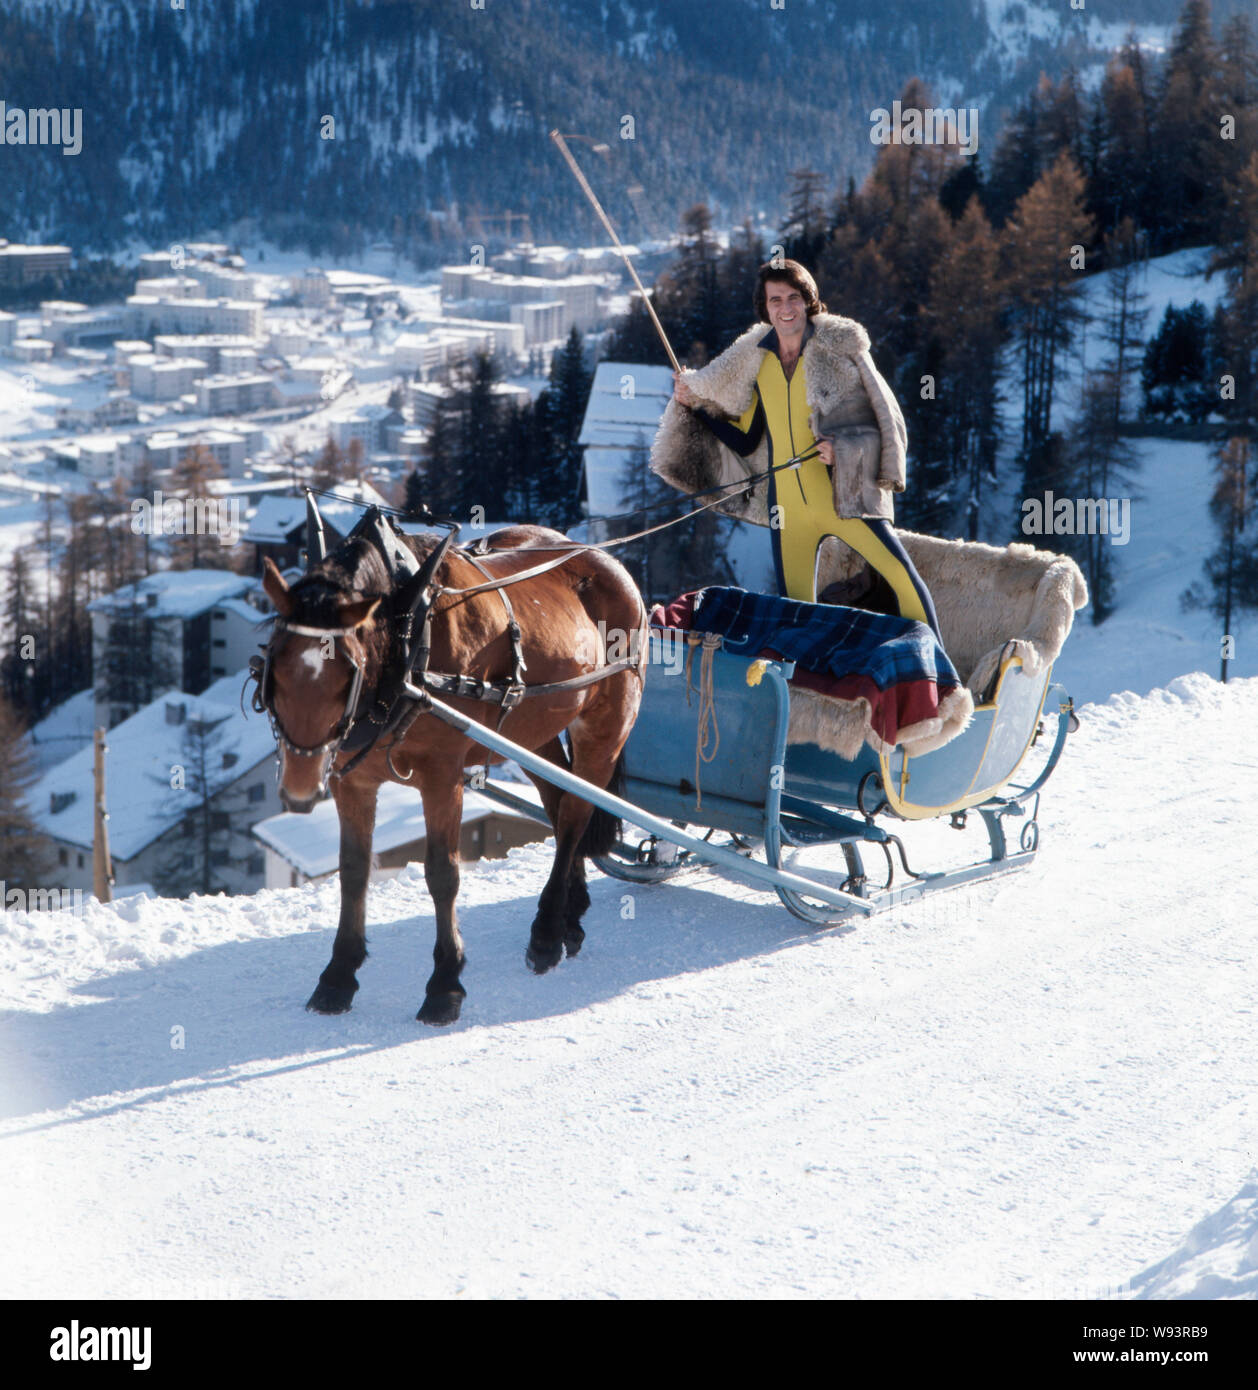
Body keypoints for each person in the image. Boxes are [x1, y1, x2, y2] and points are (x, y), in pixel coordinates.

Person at [652, 258, 942, 641]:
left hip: (844, 498)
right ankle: (807, 694)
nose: (785, 308)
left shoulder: (838, 355)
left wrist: (843, 450)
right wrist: (696, 406)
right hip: (786, 512)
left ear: (809, 301)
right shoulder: (759, 363)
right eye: (775, 300)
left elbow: (886, 423)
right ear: (765, 308)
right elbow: (745, 439)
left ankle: (941, 682)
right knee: (797, 613)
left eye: (793, 297)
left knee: (903, 582)